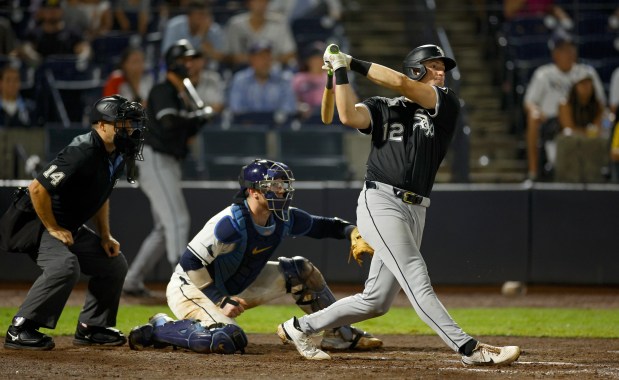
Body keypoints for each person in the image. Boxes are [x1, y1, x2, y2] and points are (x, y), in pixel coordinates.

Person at [276, 43, 522, 365]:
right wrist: (339, 71)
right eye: (433, 66)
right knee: (416, 276)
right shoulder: (383, 106)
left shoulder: (444, 103)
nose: (440, 72)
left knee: (376, 301)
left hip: (416, 208)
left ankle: (300, 326)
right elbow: (348, 115)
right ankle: (469, 349)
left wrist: (350, 61)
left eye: (442, 68)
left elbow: (404, 85)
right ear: (416, 68)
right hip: (381, 200)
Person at [127, 159, 382, 356]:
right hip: (194, 287)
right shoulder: (229, 223)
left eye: (283, 185)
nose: (281, 191)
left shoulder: (283, 217)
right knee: (227, 339)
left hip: (236, 285)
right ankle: (160, 328)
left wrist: (352, 231)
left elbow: (324, 226)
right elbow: (190, 262)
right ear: (253, 192)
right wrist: (219, 298)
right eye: (274, 185)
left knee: (301, 270)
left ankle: (338, 334)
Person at [1, 94, 147, 350]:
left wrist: (105, 235)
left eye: (131, 124)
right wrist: (53, 227)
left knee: (113, 263)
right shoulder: (82, 151)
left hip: (66, 224)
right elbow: (37, 189)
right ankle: (20, 328)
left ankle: (92, 326)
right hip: (36, 222)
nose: (130, 129)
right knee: (65, 267)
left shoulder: (117, 153)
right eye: (123, 124)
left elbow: (100, 196)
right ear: (101, 125)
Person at [123, 39, 211, 297]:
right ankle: (182, 278)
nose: (192, 64)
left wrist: (200, 118)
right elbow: (169, 122)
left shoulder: (181, 93)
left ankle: (132, 279)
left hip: (168, 161)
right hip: (155, 159)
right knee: (177, 219)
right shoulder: (164, 90)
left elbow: (188, 129)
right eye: (187, 59)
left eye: (193, 59)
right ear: (174, 63)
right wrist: (198, 115)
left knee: (163, 227)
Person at [523, 30, 606, 180]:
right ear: (554, 54)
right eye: (562, 49)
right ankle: (533, 172)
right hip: (551, 122)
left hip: (581, 117)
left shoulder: (585, 73)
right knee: (532, 117)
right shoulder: (544, 74)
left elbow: (600, 103)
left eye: (571, 48)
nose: (568, 53)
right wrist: (536, 111)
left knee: (608, 119)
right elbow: (529, 102)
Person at [554, 71, 607, 183]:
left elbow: (597, 127)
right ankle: (566, 180)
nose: (585, 87)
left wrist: (588, 132)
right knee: (568, 138)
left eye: (588, 84)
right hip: (571, 141)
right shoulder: (565, 104)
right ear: (575, 87)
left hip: (591, 141)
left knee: (600, 140)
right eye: (582, 84)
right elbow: (568, 128)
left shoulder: (598, 105)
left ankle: (594, 179)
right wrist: (586, 132)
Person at [227, 40, 297, 117]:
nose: (265, 61)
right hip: (247, 127)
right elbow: (236, 109)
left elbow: (289, 109)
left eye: (268, 56)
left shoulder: (283, 80)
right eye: (261, 57)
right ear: (251, 59)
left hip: (277, 127)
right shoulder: (240, 80)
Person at [223, 0, 297, 69]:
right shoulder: (235, 24)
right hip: (242, 69)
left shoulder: (279, 22)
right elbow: (226, 55)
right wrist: (252, 60)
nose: (260, 4)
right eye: (256, 1)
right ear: (248, 3)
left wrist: (266, 61)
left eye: (263, 1)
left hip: (273, 70)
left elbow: (290, 53)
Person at [160, 0, 225, 68]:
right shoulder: (174, 26)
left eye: (206, 15)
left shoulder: (215, 30)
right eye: (200, 15)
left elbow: (221, 57)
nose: (204, 19)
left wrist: (211, 53)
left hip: (207, 72)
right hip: (178, 68)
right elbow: (167, 54)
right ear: (189, 16)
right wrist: (200, 36)